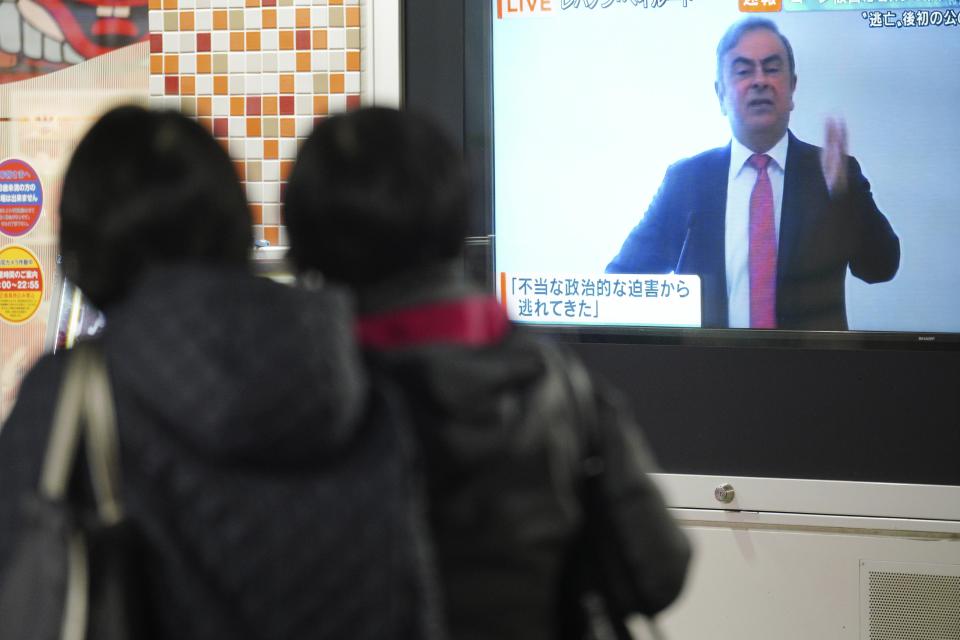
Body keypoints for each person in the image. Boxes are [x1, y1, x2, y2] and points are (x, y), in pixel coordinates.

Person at [0, 106, 439, 640]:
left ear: (86, 243)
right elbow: (414, 601)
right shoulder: (365, 383)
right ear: (235, 220)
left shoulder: (71, 397)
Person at [283, 106, 691, 640]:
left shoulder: (293, 398)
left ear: (305, 239)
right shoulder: (554, 376)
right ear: (456, 215)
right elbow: (657, 573)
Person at [606, 17, 900, 330]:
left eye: (772, 68)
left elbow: (880, 269)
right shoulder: (688, 181)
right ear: (720, 94)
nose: (760, 81)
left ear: (792, 88)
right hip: (708, 370)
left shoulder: (833, 174)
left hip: (813, 371)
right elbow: (621, 281)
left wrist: (843, 196)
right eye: (744, 71)